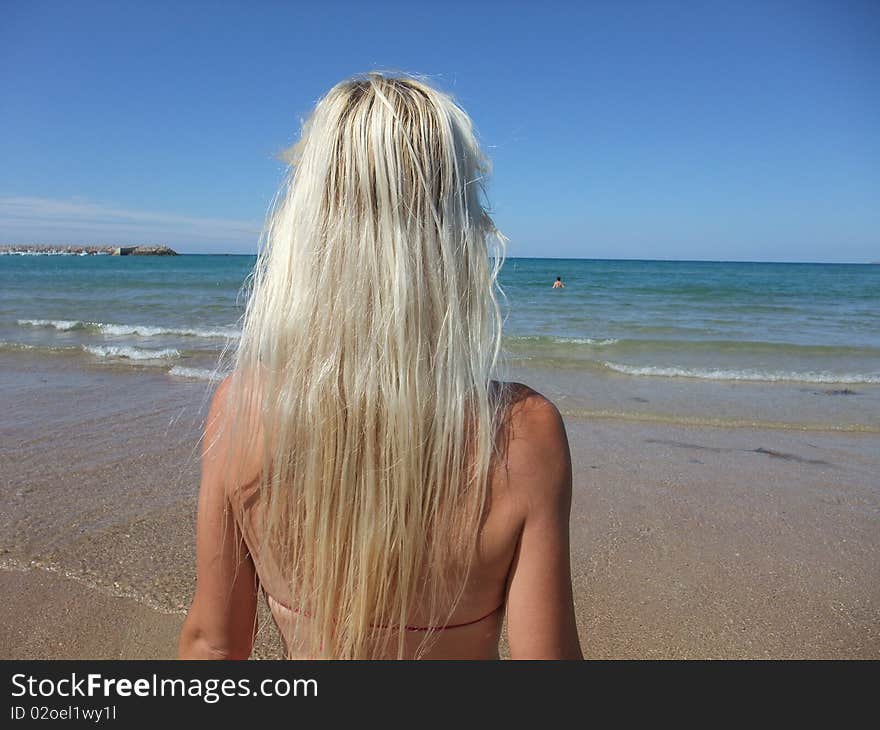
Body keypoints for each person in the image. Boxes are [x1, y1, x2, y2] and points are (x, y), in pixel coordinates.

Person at [178, 73, 582, 660]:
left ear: (306, 224)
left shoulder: (241, 409)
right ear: (457, 231)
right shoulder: (524, 433)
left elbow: (213, 645)